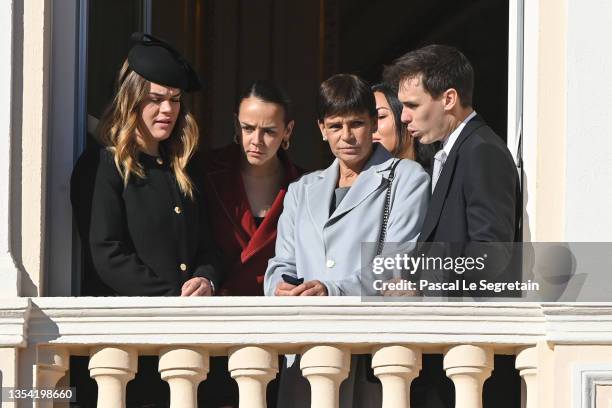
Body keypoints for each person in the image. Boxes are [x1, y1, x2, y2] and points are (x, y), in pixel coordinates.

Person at [70, 33, 222, 407]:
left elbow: (208, 247)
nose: (167, 110)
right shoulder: (103, 165)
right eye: (155, 99)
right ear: (132, 100)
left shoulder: (183, 169)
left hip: (182, 351)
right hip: (126, 348)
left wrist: (206, 278)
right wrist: (173, 300)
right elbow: (107, 255)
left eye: (174, 100)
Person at [264, 73, 430, 408]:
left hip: (369, 351)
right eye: (336, 126)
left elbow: (396, 266)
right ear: (322, 129)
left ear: (373, 124)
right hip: (306, 350)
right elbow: (281, 263)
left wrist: (331, 290)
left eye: (356, 123)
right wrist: (280, 287)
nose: (347, 136)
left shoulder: (407, 179)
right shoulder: (302, 189)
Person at [383, 44, 520, 247]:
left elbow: (490, 254)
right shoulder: (451, 151)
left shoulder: (482, 152)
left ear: (449, 99)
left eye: (412, 105)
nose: (403, 116)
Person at [202, 80, 301, 296]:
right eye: (248, 128)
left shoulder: (305, 186)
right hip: (214, 310)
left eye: (269, 131)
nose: (256, 140)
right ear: (236, 124)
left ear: (288, 130)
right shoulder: (203, 172)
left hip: (276, 313)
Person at [372, 82, 438, 172]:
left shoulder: (437, 176)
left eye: (381, 116)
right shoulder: (360, 179)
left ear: (405, 118)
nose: (371, 127)